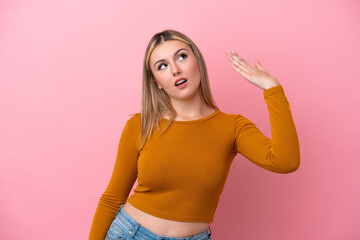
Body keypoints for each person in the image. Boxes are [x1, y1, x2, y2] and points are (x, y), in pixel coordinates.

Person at [88, 29, 300, 240]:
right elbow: (112, 198)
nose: (175, 70)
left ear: (197, 61)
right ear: (157, 82)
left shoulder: (232, 127)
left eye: (181, 57)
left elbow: (285, 161)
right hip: (131, 234)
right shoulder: (141, 125)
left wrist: (272, 89)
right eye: (162, 66)